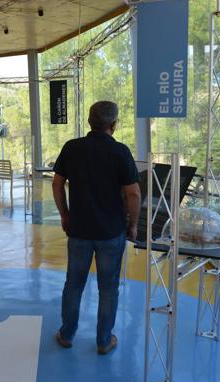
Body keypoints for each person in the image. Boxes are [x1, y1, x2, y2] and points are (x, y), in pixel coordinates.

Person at [52, 100, 141, 355]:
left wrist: (65, 214)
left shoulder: (71, 148)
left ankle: (67, 334)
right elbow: (133, 194)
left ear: (90, 122)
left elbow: (57, 184)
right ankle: (104, 341)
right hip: (111, 233)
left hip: (78, 231)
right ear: (113, 125)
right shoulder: (120, 152)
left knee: (74, 284)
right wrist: (133, 225)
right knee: (108, 287)